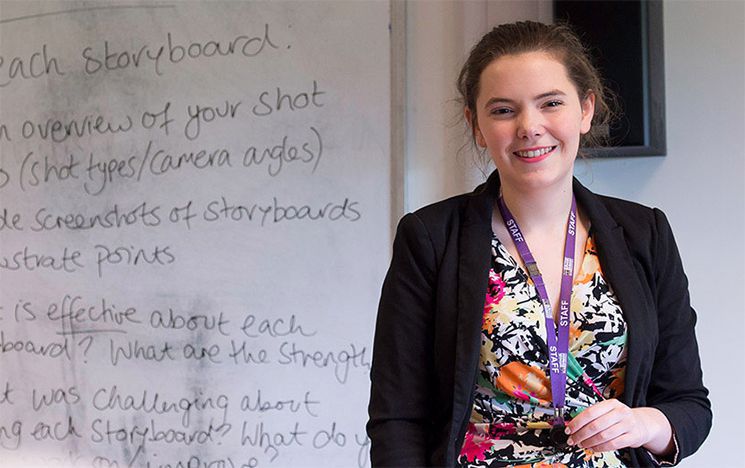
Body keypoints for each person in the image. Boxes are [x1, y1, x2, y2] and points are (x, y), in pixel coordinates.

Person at [366, 21, 711, 468]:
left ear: (585, 110)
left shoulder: (646, 233)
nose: (530, 127)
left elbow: (689, 404)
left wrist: (645, 424)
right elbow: (397, 418)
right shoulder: (431, 238)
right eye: (503, 110)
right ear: (476, 124)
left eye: (550, 103)